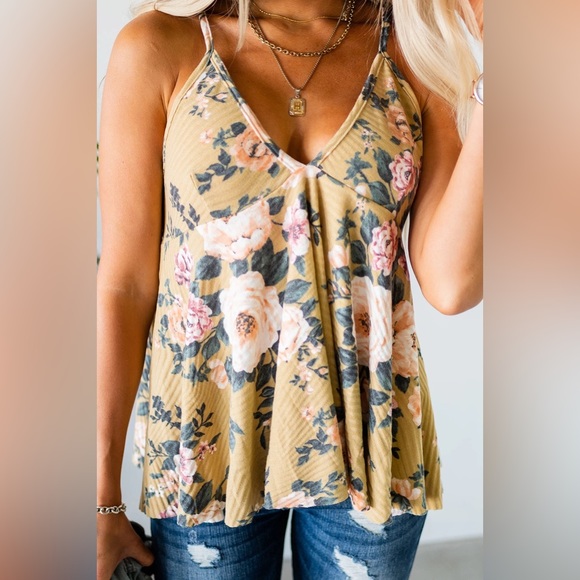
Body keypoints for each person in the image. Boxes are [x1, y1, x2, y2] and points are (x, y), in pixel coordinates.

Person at [97, 0, 483, 578]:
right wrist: (100, 495)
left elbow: (452, 285)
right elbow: (125, 285)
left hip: (369, 440)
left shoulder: (413, 50)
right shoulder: (159, 46)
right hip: (207, 443)